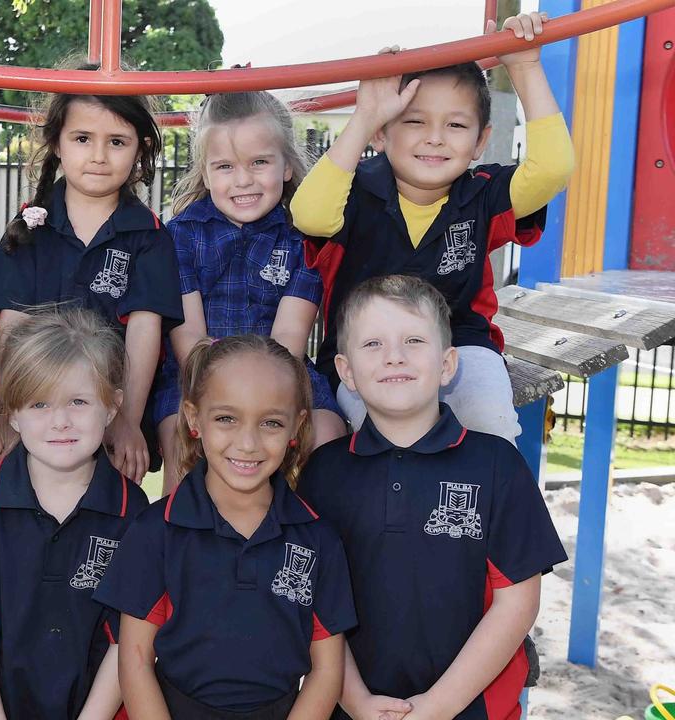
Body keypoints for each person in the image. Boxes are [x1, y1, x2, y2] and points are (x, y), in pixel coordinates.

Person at [292, 12, 575, 445]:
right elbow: (308, 216)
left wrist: (525, 67)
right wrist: (364, 117)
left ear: (481, 140)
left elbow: (553, 169)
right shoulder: (355, 189)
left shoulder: (482, 194)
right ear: (383, 134)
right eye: (415, 121)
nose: (436, 138)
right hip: (366, 352)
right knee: (383, 439)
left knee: (490, 425)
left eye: (456, 125)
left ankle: (490, 507)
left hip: (458, 347)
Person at [297, 275, 567, 720]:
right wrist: (356, 699)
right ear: (345, 372)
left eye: (413, 340)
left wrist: (438, 707)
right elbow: (312, 601)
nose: (394, 357)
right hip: (351, 707)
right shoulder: (323, 474)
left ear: (447, 365)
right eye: (373, 345)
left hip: (470, 708)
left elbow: (518, 603)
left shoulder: (496, 465)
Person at [96, 334, 355, 720]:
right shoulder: (155, 531)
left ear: (297, 427)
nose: (247, 443)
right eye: (226, 418)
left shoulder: (317, 538)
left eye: (270, 422)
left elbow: (328, 670)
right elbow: (133, 659)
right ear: (193, 417)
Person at [0, 306, 148, 719]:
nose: (60, 422)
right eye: (39, 404)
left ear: (113, 406)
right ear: (11, 410)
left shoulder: (132, 513)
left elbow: (129, 640)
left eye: (79, 401)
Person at [0, 67, 183, 481]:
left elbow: (145, 332)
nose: (99, 156)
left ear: (140, 149)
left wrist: (126, 420)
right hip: (37, 408)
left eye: (117, 142)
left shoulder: (149, 237)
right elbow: (12, 328)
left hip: (108, 407)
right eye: (83, 138)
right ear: (57, 142)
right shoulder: (30, 227)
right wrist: (4, 415)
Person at [158, 89, 346, 495]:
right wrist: (227, 402)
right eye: (225, 166)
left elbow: (289, 343)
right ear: (206, 174)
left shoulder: (302, 239)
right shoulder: (179, 237)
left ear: (285, 167)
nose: (243, 180)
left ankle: (308, 538)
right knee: (181, 434)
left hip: (282, 371)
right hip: (197, 376)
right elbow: (189, 342)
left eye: (259, 162)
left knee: (328, 431)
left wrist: (258, 406)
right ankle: (178, 536)